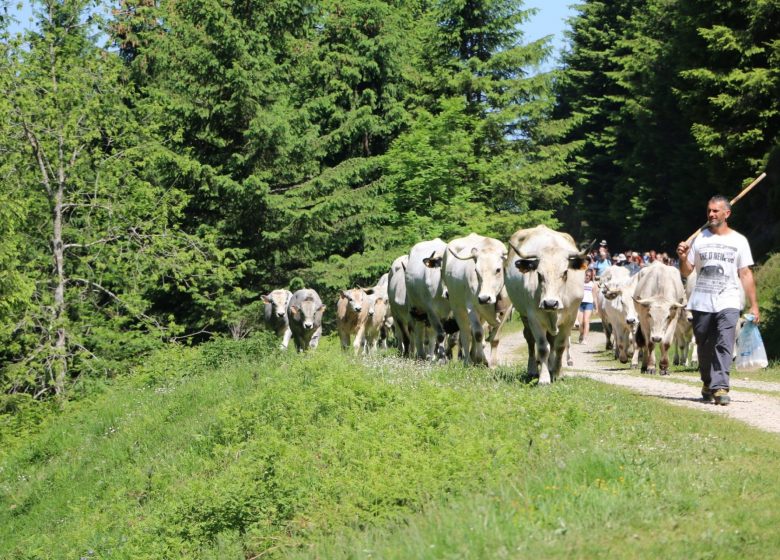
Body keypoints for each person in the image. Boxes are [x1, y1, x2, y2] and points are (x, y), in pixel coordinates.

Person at [677, 195, 760, 406]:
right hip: (702, 301)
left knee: (725, 342)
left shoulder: (739, 241)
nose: (711, 214)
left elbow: (745, 274)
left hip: (729, 300)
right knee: (704, 345)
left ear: (727, 213)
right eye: (709, 211)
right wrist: (683, 257)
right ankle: (707, 382)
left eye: (715, 211)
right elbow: (687, 272)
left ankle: (721, 386)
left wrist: (754, 304)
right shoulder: (700, 239)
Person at [576, 268, 598, 344]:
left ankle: (585, 339)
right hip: (580, 304)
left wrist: (596, 307)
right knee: (580, 323)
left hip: (589, 303)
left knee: (586, 321)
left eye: (589, 275)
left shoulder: (593, 284)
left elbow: (594, 296)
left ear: (591, 276)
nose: (587, 277)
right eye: (586, 275)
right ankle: (581, 334)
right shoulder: (580, 283)